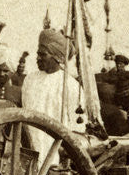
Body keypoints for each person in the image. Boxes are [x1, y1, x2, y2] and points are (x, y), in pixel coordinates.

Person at [20, 29, 83, 162]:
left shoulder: (71, 86)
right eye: (38, 54)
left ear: (57, 57)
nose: (38, 58)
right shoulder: (30, 79)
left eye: (43, 54)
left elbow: (78, 127)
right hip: (29, 149)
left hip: (56, 153)